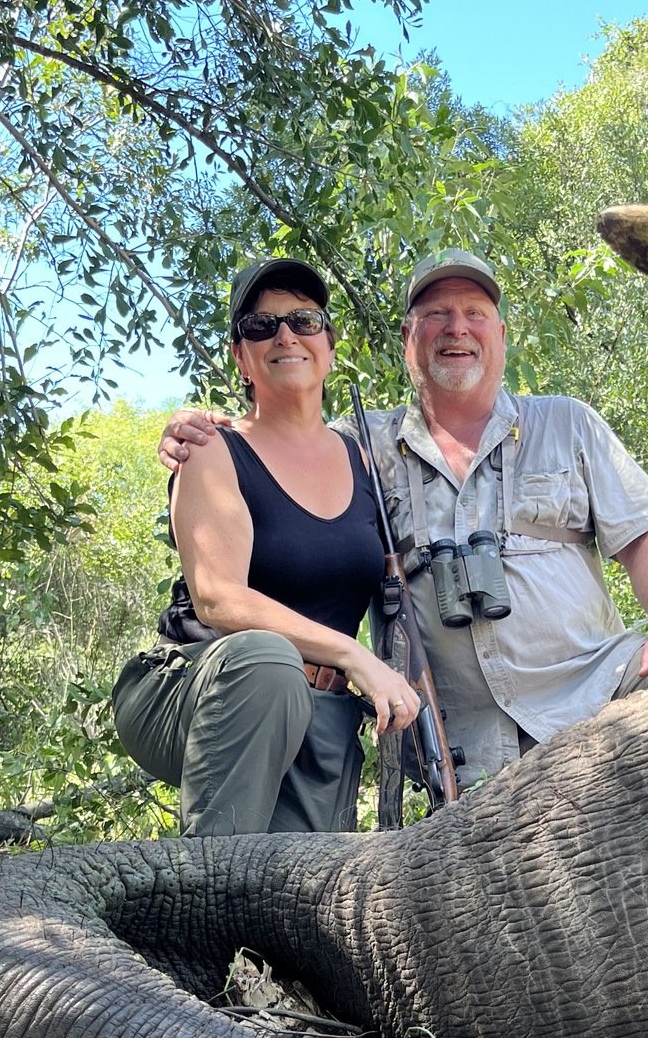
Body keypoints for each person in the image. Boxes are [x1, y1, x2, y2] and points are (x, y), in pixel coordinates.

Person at [158, 246, 648, 789]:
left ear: (501, 335)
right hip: (462, 747)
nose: (457, 329)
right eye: (436, 315)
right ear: (407, 340)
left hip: (600, 691)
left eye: (475, 314)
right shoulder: (357, 447)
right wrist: (199, 431)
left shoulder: (568, 424)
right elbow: (275, 440)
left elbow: (646, 536)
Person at [113, 257, 420, 835]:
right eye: (261, 325)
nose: (285, 335)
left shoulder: (370, 461)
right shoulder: (211, 448)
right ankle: (201, 898)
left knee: (293, 899)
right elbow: (218, 601)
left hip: (315, 714)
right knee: (269, 663)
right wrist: (355, 657)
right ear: (242, 357)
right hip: (195, 687)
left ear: (328, 345)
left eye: (304, 320)